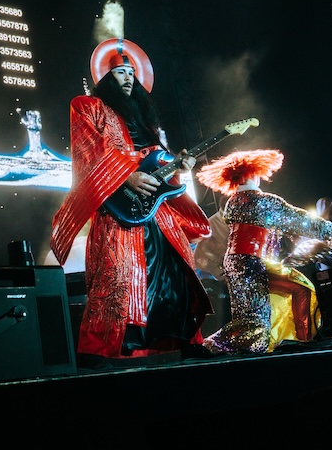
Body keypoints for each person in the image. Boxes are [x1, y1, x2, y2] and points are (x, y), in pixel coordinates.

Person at [49, 38, 213, 363]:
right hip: (118, 208)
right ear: (106, 77)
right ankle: (105, 351)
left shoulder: (145, 121)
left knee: (175, 271)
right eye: (121, 72)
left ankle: (184, 341)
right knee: (119, 276)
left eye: (131, 73)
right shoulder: (87, 106)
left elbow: (155, 162)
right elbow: (88, 151)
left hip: (157, 209)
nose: (128, 78)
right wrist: (126, 175)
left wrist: (177, 165)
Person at [195, 149, 332, 354]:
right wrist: (325, 227)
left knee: (262, 314)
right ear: (254, 174)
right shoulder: (261, 200)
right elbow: (295, 218)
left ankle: (301, 341)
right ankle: (210, 346)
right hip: (253, 264)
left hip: (241, 265)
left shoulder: (233, 202)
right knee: (258, 324)